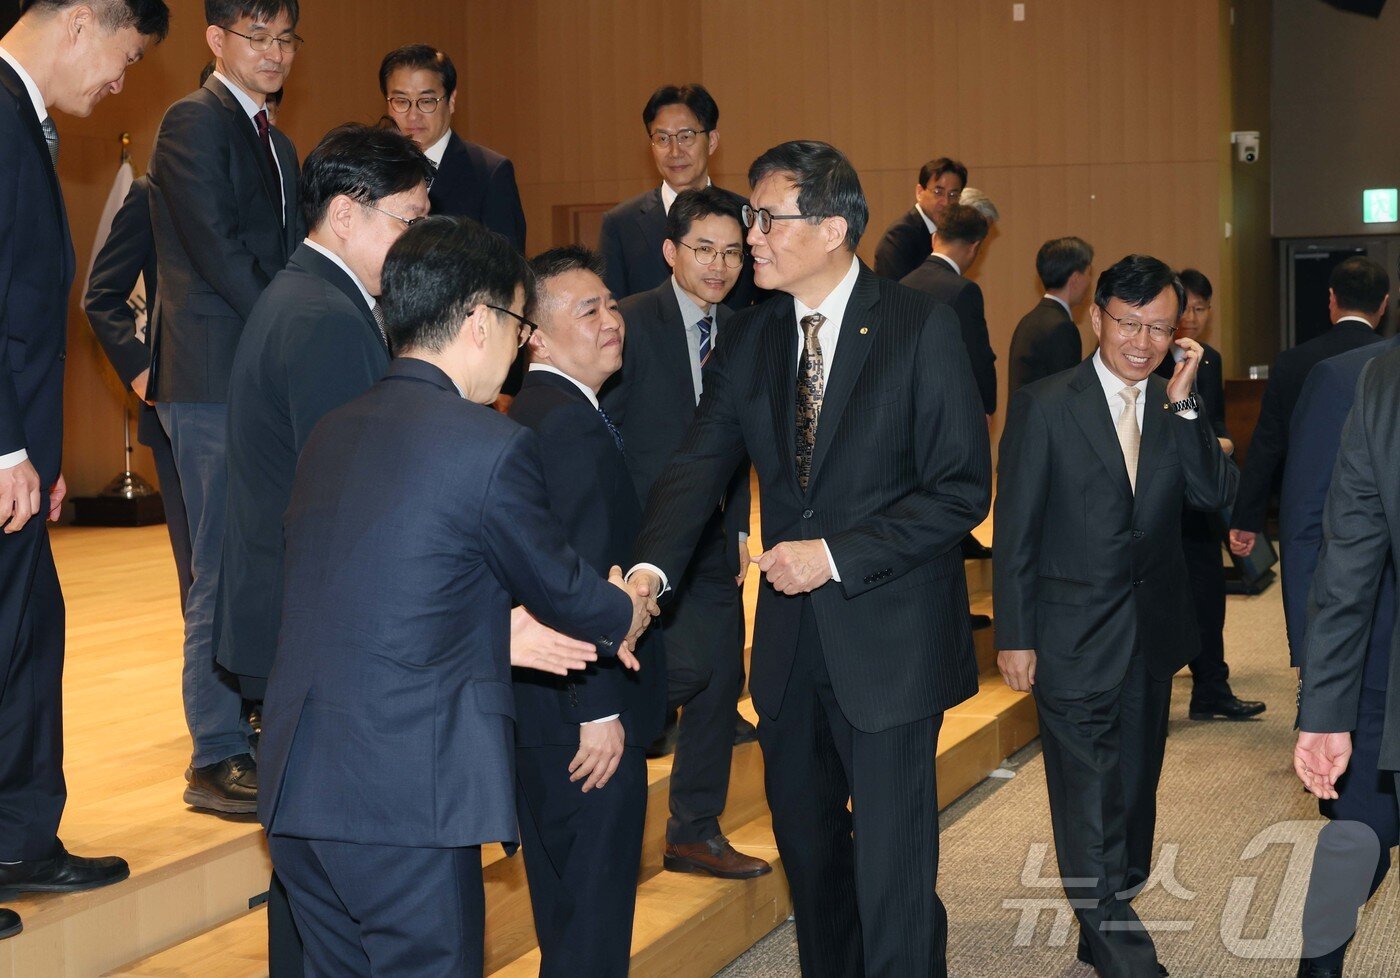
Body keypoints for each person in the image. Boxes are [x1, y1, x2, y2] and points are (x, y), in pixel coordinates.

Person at [629, 140, 992, 977]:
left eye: (767, 219)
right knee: (813, 860)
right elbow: (695, 467)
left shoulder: (918, 327)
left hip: (892, 641)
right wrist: (648, 573)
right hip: (791, 651)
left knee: (895, 874)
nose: (750, 237)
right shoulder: (752, 337)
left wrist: (834, 555)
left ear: (832, 229)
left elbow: (959, 490)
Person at [260, 216, 658, 977]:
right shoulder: (487, 444)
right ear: (480, 321)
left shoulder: (333, 432)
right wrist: (628, 604)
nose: (518, 349)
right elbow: (568, 592)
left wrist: (489, 633)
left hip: (299, 785)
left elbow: (363, 601)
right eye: (517, 324)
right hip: (407, 793)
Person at [995, 254, 1238, 977]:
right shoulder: (1046, 404)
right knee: (1086, 794)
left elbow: (1213, 494)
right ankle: (1122, 949)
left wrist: (1187, 402)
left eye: (1160, 328)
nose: (1143, 342)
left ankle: (1103, 916)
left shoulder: (1174, 404)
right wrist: (1016, 635)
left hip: (1151, 632)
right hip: (1068, 632)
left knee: (1133, 794)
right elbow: (1016, 529)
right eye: (1129, 323)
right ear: (1097, 318)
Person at [0, 0, 170, 940]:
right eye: (125, 55)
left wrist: (41, 454)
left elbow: (27, 314)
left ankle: (20, 840)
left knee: (29, 644)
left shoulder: (25, 116)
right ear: (78, 22)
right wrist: (5, 447)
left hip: (20, 457)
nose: (119, 80)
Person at [146, 0, 305, 814]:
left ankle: (255, 720)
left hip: (258, 375)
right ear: (216, 39)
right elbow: (218, 250)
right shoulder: (192, 122)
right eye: (258, 36)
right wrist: (297, 323)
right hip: (210, 376)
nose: (275, 52)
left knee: (259, 554)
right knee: (217, 564)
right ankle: (213, 751)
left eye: (286, 38)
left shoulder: (278, 140)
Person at [507, 247, 668, 977]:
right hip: (583, 719)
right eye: (588, 310)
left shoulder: (555, 410)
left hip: (552, 712)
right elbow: (566, 581)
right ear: (536, 338)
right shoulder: (564, 422)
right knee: (590, 931)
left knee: (571, 921)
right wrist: (597, 708)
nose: (612, 321)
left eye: (611, 305)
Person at [602, 188, 771, 880]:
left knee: (723, 678)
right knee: (665, 674)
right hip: (642, 541)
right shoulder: (630, 321)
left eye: (732, 252)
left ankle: (694, 832)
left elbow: (736, 444)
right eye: (704, 249)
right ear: (671, 251)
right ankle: (600, 797)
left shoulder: (744, 328)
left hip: (715, 538)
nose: (719, 265)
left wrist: (738, 526)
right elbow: (604, 431)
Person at [1284, 332, 1400, 978]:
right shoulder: (1363, 378)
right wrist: (1324, 693)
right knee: (1357, 833)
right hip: (1375, 662)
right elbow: (1321, 535)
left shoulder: (1381, 379)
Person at [1153, 269, 1265, 721]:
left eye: (1202, 308)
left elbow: (1215, 421)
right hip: (1160, 496)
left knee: (1208, 592)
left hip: (1200, 499)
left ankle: (1211, 690)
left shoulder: (1210, 360)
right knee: (1160, 596)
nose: (1195, 317)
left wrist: (1225, 443)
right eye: (1188, 309)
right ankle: (1154, 700)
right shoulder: (1150, 356)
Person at [1229, 256, 1387, 560]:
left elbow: (1267, 445)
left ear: (1332, 298)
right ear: (1384, 303)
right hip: (1379, 512)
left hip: (1307, 512)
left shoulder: (1293, 362)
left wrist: (1247, 519)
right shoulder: (1389, 363)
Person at [84, 171, 192, 612]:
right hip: (175, 406)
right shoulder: (152, 193)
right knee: (198, 573)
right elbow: (101, 296)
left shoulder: (267, 183)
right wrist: (141, 370)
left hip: (257, 404)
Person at [597, 83, 759, 309]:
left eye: (686, 136)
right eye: (662, 138)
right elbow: (611, 308)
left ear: (712, 141)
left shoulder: (747, 215)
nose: (675, 151)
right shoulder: (621, 224)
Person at [378, 43, 525, 252]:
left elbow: (508, 262)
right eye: (401, 101)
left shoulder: (489, 173)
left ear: (452, 100)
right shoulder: (373, 169)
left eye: (426, 101)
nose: (413, 115)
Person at [899, 203, 997, 416]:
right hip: (951, 408)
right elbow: (977, 357)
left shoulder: (903, 284)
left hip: (907, 405)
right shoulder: (964, 290)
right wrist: (986, 407)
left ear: (934, 238)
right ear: (974, 247)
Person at [1008, 236, 1093, 397]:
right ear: (1076, 278)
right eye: (1089, 273)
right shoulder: (1062, 327)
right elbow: (1067, 394)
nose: (1090, 281)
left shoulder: (1028, 320)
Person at [872, 156, 966, 282]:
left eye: (953, 195)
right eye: (938, 192)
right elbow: (894, 290)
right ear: (920, 192)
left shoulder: (950, 234)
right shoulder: (899, 236)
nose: (946, 202)